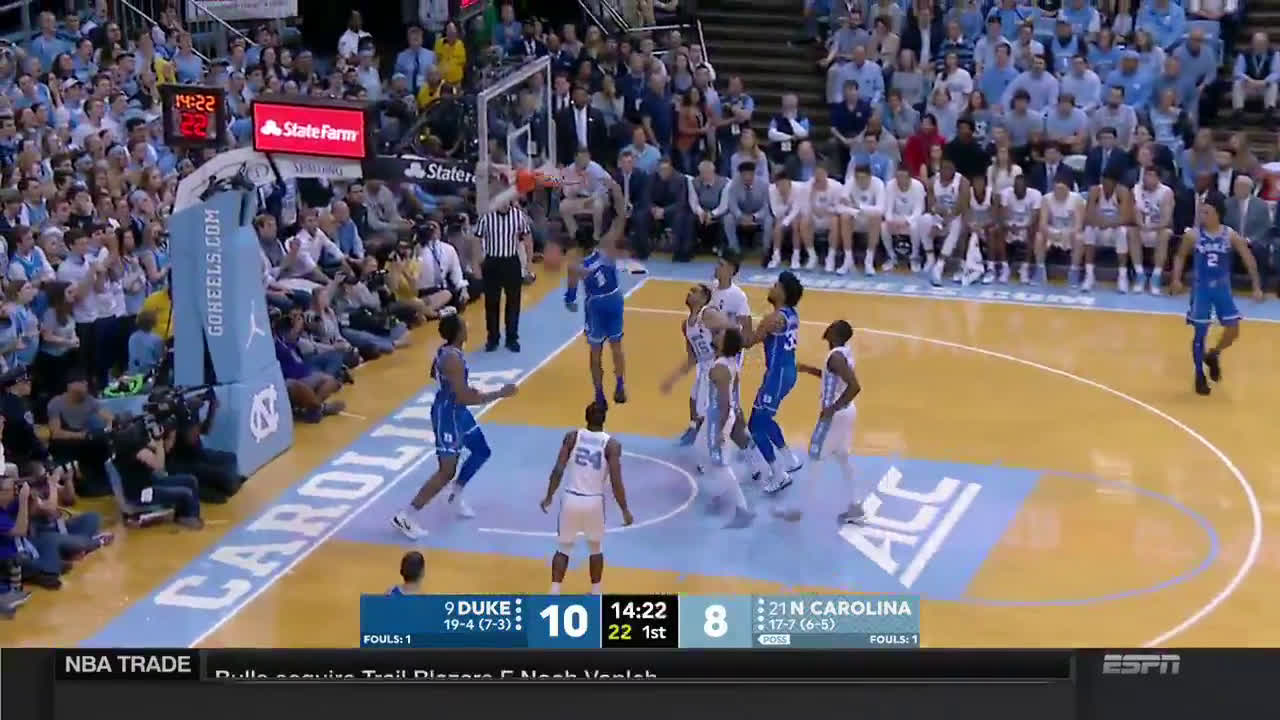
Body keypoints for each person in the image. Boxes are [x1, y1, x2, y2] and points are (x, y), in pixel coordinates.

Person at [392, 314, 517, 539]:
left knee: (481, 450)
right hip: (448, 415)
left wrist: (456, 386)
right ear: (458, 333)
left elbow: (435, 374)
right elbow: (463, 398)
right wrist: (499, 393)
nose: (467, 327)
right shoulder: (453, 359)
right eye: (463, 325)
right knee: (446, 470)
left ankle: (455, 494)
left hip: (456, 411)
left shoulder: (447, 351)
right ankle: (406, 515)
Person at [1170, 197, 1263, 395]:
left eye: (1207, 212)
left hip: (1222, 288)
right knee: (1200, 332)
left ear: (1218, 214)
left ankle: (1214, 354)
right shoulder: (1193, 235)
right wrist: (1176, 278)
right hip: (1201, 289)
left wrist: (1256, 285)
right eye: (1202, 212)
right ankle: (1199, 375)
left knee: (1233, 331)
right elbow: (1180, 256)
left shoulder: (1230, 234)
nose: (1203, 215)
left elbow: (1248, 258)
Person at [539, 401, 632, 595]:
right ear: (604, 419)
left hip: (571, 499)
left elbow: (558, 470)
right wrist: (625, 510)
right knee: (595, 548)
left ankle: (554, 591)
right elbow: (616, 482)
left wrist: (549, 496)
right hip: (593, 502)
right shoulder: (612, 445)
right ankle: (596, 591)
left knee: (563, 548)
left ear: (586, 417)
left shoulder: (572, 437)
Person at [568, 180, 629, 407]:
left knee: (595, 351)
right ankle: (620, 385)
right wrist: (616, 190)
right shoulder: (607, 250)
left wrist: (571, 300)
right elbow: (621, 218)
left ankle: (599, 394)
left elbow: (571, 296)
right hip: (614, 298)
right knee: (617, 346)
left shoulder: (576, 266)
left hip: (595, 305)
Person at [743, 271, 805, 494]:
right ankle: (790, 459)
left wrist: (741, 319)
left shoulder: (773, 319)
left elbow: (747, 342)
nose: (772, 287)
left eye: (776, 285)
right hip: (786, 372)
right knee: (764, 418)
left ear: (783, 293)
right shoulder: (792, 314)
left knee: (756, 425)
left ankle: (779, 474)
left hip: (776, 376)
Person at [799, 320, 863, 524]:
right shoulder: (842, 353)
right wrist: (809, 369)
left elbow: (854, 386)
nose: (827, 328)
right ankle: (855, 505)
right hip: (847, 412)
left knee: (815, 457)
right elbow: (834, 377)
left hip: (836, 416)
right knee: (843, 457)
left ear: (836, 335)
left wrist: (832, 408)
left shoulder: (836, 357)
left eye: (832, 327)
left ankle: (800, 509)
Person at [659, 284, 730, 447]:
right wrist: (672, 379)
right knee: (694, 398)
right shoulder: (686, 325)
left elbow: (729, 330)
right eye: (690, 290)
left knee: (712, 410)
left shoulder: (708, 314)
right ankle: (695, 430)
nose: (689, 293)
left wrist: (723, 356)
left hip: (717, 367)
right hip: (704, 368)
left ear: (704, 298)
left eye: (694, 291)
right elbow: (692, 358)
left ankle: (731, 443)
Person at [706, 327, 754, 528]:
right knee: (716, 460)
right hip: (723, 415)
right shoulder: (731, 364)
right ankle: (719, 493)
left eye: (721, 335)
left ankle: (743, 510)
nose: (716, 335)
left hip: (719, 416)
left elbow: (725, 402)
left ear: (725, 344)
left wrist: (720, 430)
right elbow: (734, 395)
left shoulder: (720, 368)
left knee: (721, 463)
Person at [473, 195, 531, 352]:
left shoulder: (518, 215)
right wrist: (478, 262)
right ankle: (492, 338)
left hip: (511, 261)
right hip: (492, 262)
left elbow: (527, 238)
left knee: (513, 301)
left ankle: (512, 338)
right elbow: (477, 239)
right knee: (491, 302)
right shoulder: (486, 216)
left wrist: (528, 263)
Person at [919, 157, 970, 286]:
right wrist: (937, 221)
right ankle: (930, 258)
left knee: (956, 224)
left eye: (950, 168)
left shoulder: (962, 182)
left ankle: (940, 265)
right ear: (939, 169)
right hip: (939, 216)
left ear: (954, 169)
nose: (947, 171)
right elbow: (931, 206)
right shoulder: (932, 181)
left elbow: (960, 207)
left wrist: (942, 222)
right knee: (923, 220)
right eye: (944, 168)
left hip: (955, 217)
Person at [1085, 171, 1134, 292]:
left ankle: (1122, 276)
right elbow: (1088, 217)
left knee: (1122, 231)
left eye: (1109, 182)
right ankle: (1089, 275)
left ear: (1115, 183)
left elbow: (1127, 218)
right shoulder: (1095, 191)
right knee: (1089, 230)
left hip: (1114, 230)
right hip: (1099, 229)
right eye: (1104, 181)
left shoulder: (1122, 192)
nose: (1106, 184)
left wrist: (1108, 224)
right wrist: (1099, 223)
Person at [1129, 169, 1175, 294]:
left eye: (1151, 175)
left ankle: (1156, 276)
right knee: (1132, 231)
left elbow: (1167, 219)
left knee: (1164, 233)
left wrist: (1152, 227)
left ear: (1158, 179)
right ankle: (1140, 274)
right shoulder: (1136, 190)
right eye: (1146, 175)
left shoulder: (1166, 192)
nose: (1147, 178)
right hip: (1142, 227)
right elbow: (1135, 213)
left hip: (1160, 228)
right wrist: (1142, 225)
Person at [1038, 177, 1086, 288]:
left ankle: (1074, 271)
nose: (1058, 191)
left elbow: (1079, 226)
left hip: (1070, 233)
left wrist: (1067, 234)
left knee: (1079, 238)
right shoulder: (1046, 199)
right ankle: (1040, 270)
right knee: (1039, 237)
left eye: (1061, 189)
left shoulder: (1077, 199)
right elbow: (1042, 224)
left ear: (1068, 189)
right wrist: (1052, 233)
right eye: (1056, 189)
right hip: (1052, 232)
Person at [996, 174, 1042, 284]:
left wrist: (1022, 227)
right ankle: (1005, 267)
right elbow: (1002, 215)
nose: (1019, 190)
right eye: (1016, 187)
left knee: (1033, 230)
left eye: (1021, 187)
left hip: (1026, 227)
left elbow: (1035, 217)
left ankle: (1024, 268)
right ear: (1013, 187)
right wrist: (1009, 226)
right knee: (999, 229)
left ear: (1026, 187)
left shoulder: (1036, 194)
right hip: (1010, 226)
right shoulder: (1006, 193)